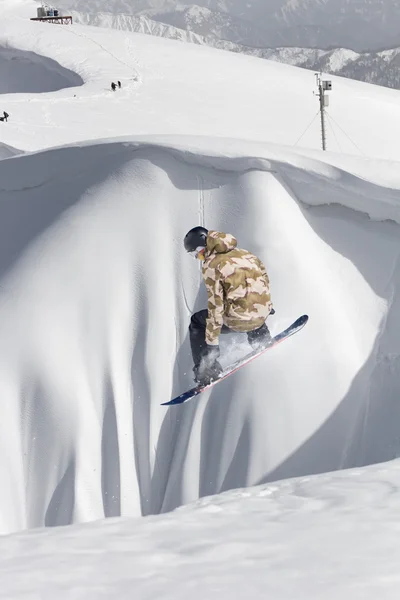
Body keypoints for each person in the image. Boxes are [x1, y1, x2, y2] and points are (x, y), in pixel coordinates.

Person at [184, 226, 274, 385]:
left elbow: (215, 306)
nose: (199, 258)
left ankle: (207, 370)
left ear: (202, 247)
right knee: (249, 308)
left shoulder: (212, 265)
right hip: (261, 314)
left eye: (196, 254)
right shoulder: (247, 255)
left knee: (197, 322)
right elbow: (264, 280)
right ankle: (262, 340)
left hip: (237, 320)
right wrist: (267, 306)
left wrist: (212, 345)